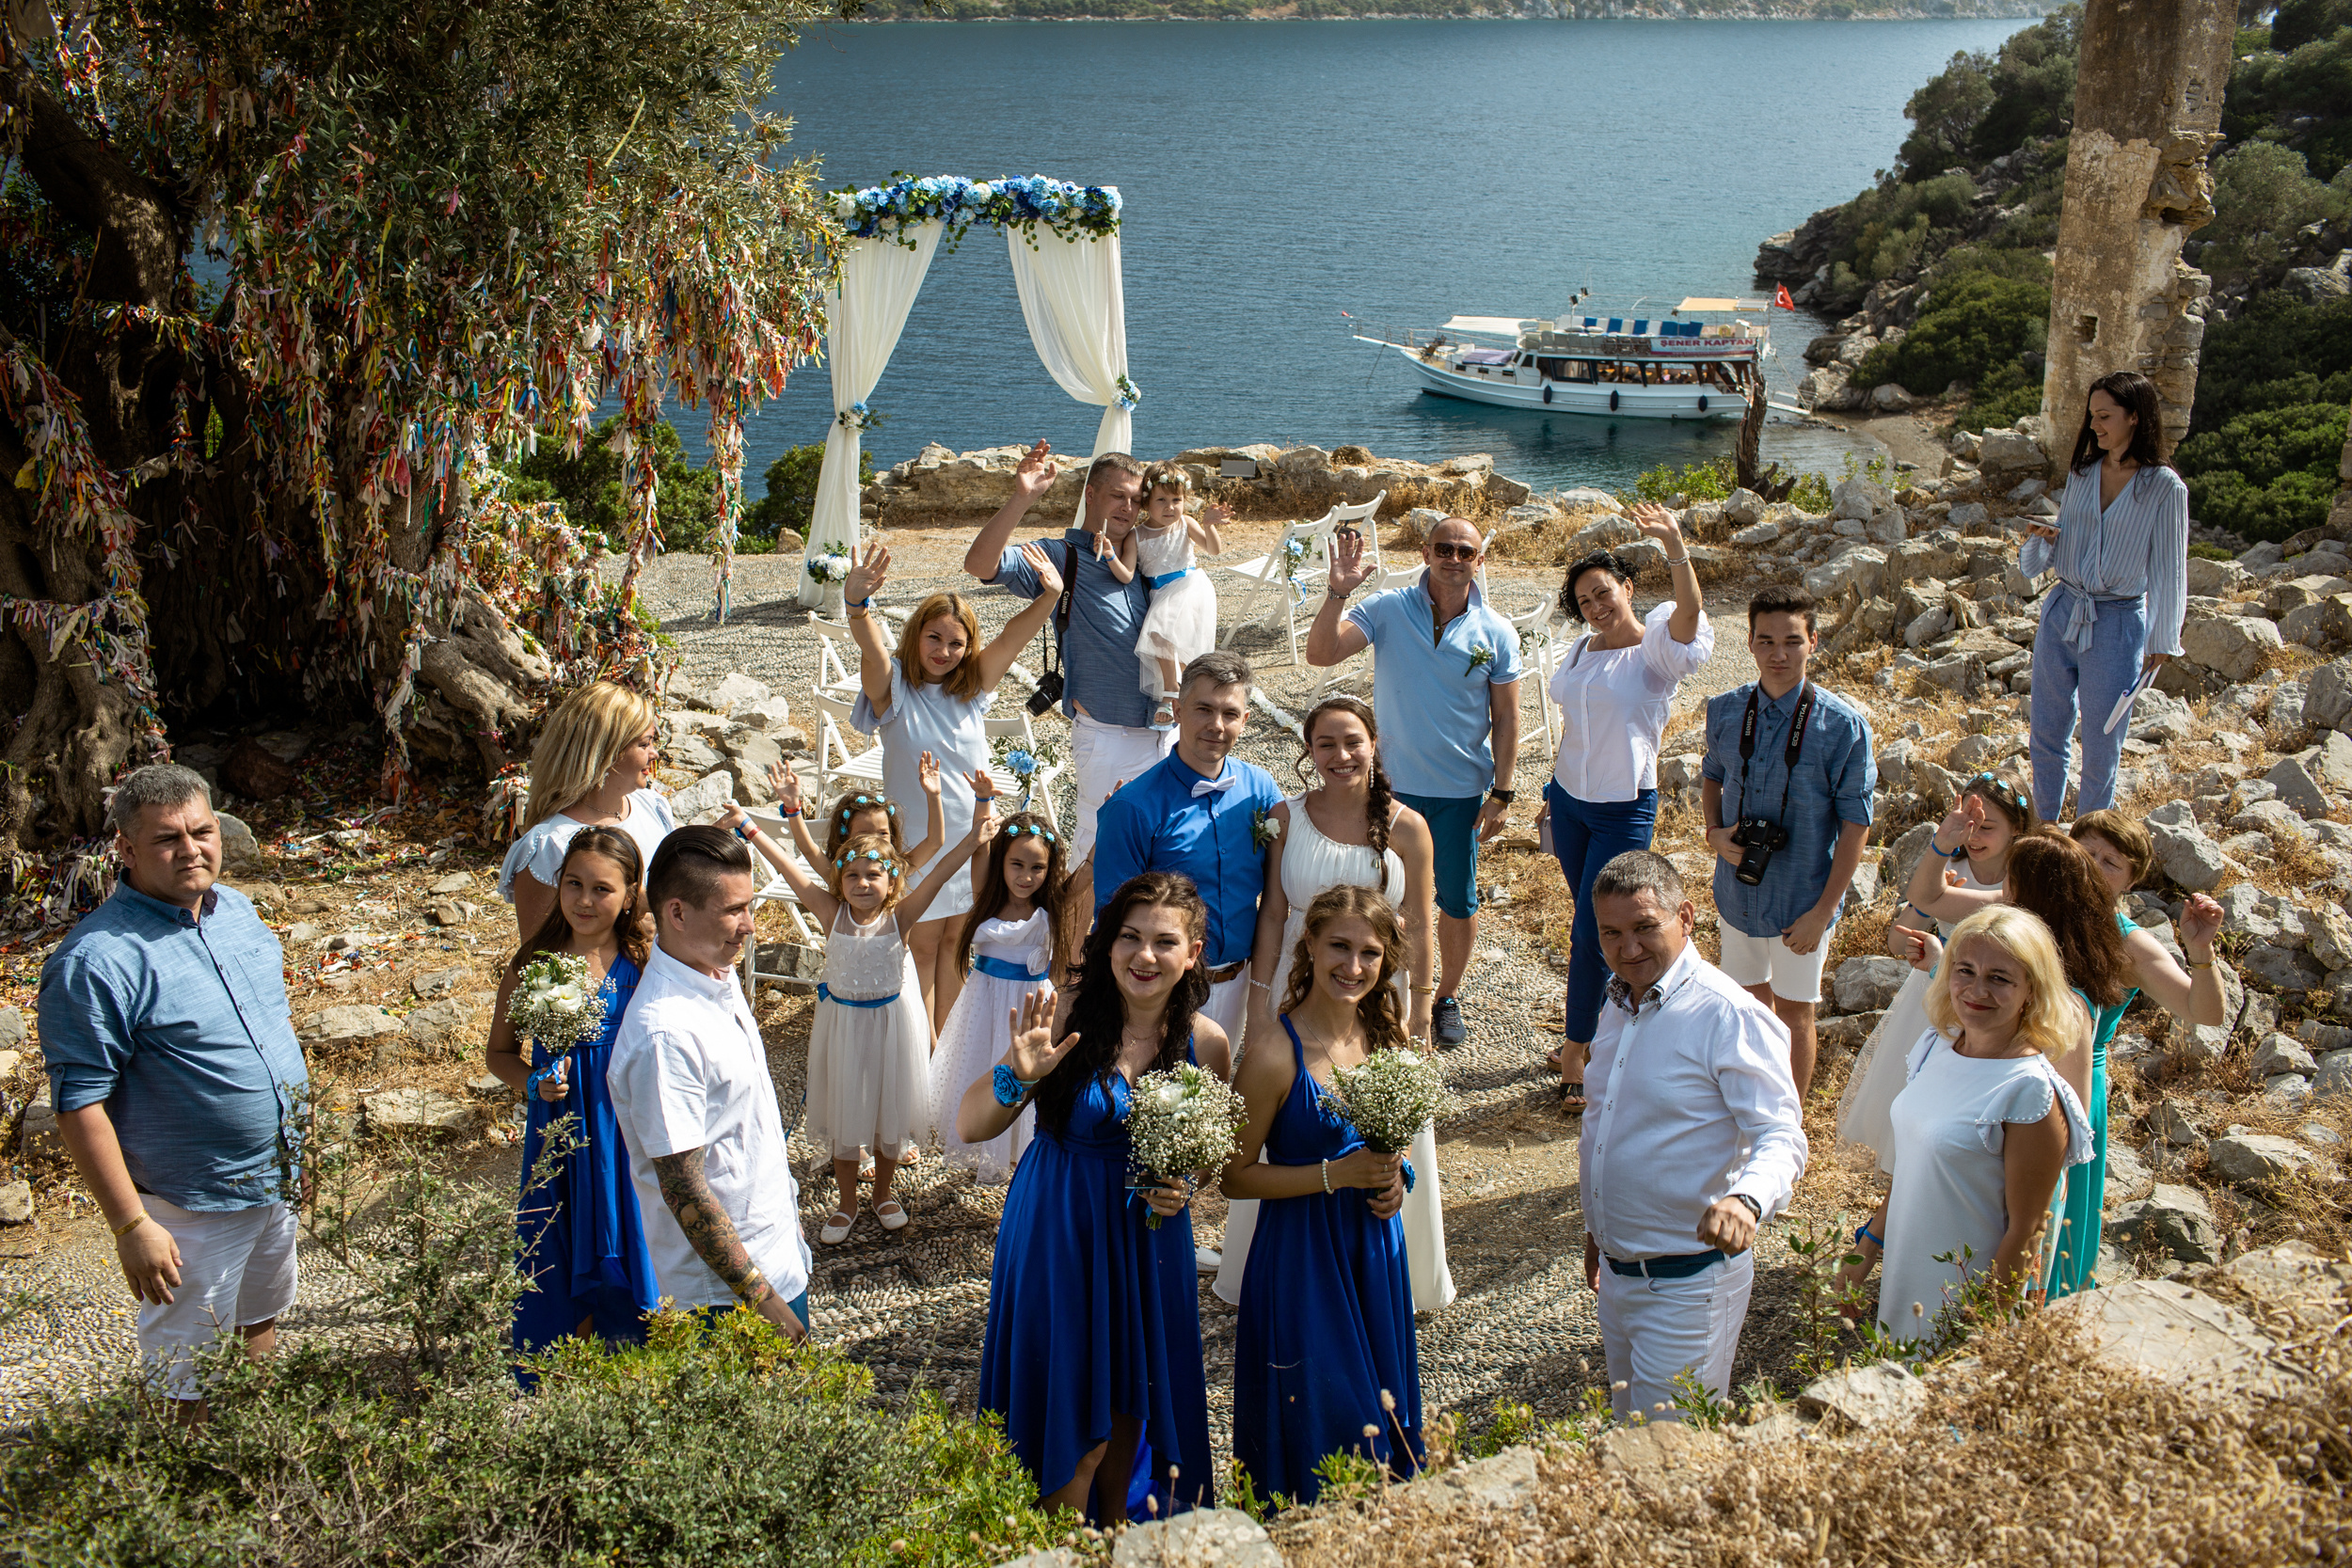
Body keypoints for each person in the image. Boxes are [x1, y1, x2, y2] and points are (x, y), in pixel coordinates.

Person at [40, 764, 310, 1408]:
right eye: (167, 839)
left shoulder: (236, 911)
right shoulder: (96, 962)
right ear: (126, 850)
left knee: (259, 1320)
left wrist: (300, 1150)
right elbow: (79, 1105)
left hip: (273, 1178)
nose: (191, 849)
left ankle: (260, 1463)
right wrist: (130, 1223)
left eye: (201, 830)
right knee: (188, 1367)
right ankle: (190, 1493)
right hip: (189, 1203)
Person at [963, 874, 1224, 1522]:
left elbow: (1212, 1149)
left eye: (1165, 941)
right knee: (1075, 1423)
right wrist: (1014, 1076)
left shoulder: (1206, 1041)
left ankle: (1115, 1533)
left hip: (1148, 1243)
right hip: (1061, 1226)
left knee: (1130, 1407)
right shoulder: (1067, 1012)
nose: (1144, 955)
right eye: (1129, 937)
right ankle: (1056, 1545)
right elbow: (972, 1124)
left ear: (1193, 952)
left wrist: (1187, 1184)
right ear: (1107, 944)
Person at [1219, 695, 1448, 1312]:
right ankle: (1276, 1266)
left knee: (1381, 1118)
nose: (1341, 755)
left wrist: (1420, 1011)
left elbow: (1423, 926)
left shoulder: (1408, 828)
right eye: (1326, 744)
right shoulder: (1284, 817)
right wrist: (1261, 1004)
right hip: (1300, 987)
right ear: (1308, 752)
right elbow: (1272, 914)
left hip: (1378, 991)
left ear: (1374, 743)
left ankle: (1393, 1266)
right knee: (1292, 1119)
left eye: (1353, 741)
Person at [1578, 851, 1805, 1424]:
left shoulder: (1729, 1015)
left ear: (1687, 916)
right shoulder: (1616, 1002)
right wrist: (1597, 1226)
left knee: (1670, 1453)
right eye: (1611, 933)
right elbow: (1606, 1122)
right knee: (1630, 1433)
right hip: (1619, 1276)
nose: (1628, 948)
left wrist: (1746, 1200)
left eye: (1644, 928)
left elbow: (1781, 1134)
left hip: (1689, 1284)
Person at [723, 779, 996, 1244]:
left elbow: (939, 871)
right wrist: (749, 827)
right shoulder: (831, 915)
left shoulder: (901, 918)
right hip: (844, 1028)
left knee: (889, 1113)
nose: (863, 884)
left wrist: (974, 837)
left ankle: (884, 1193)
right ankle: (847, 1202)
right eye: (852, 876)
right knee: (848, 1115)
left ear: (891, 879)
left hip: (891, 1027)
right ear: (840, 881)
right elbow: (790, 867)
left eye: (874, 875)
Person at [1226, 886, 1420, 1504]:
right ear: (1309, 943)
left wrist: (1396, 1178)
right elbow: (1232, 1175)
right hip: (1302, 1263)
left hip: (1373, 1254)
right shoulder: (1273, 1055)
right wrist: (1337, 1175)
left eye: (1369, 952)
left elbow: (1396, 1145)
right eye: (1339, 945)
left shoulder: (1388, 1034)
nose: (1353, 966)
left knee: (1384, 1424)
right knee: (1327, 1423)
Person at [1308, 515, 1522, 1049]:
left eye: (1465, 551)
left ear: (1479, 560)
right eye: (1444, 548)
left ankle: (1444, 996)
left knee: (1455, 901)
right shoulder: (1386, 609)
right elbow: (1320, 653)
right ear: (1426, 552)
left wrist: (1502, 792)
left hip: (1456, 795)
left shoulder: (1495, 631)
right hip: (1388, 789)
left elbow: (1508, 718)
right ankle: (1372, 988)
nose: (1453, 558)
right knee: (1375, 894)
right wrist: (1337, 593)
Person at [1835, 906, 2093, 1344]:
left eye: (1999, 978)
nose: (1976, 990)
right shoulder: (1935, 1045)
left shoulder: (2030, 1091)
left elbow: (2028, 1230)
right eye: (1965, 970)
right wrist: (1865, 1252)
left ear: (2031, 989)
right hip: (1906, 1269)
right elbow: (1912, 1169)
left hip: (1963, 1293)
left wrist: (1978, 1330)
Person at [846, 539, 1065, 1033]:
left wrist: (1048, 598)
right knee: (922, 949)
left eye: (956, 643)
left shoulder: (971, 689)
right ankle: (921, 1067)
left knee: (958, 949)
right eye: (934, 638)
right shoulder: (894, 687)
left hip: (972, 840)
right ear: (915, 636)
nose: (944, 652)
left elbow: (1012, 639)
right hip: (920, 846)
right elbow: (871, 649)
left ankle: (947, 1061)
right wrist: (857, 607)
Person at [1537, 504, 1712, 1112]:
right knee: (1595, 929)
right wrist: (1547, 798)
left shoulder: (1655, 652)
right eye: (1585, 599)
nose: (1595, 606)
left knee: (1594, 928)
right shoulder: (1582, 649)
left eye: (1603, 593)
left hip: (1622, 808)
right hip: (1569, 802)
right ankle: (1603, 1030)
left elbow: (1689, 618)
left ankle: (1577, 1050)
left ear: (1628, 589)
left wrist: (1675, 546)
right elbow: (1573, 726)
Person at [605, 827, 811, 1341]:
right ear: (677, 913)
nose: (750, 926)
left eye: (750, 906)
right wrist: (760, 1299)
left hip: (774, 1254)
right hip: (726, 1300)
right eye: (734, 910)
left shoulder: (714, 973)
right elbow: (683, 1187)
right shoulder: (665, 1035)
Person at [2008, 830, 2224, 1297]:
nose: (2094, 866)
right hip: (1998, 1077)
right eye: (2086, 853)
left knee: (2056, 1213)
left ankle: (2045, 1319)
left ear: (2131, 880)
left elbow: (2205, 1012)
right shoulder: (2020, 912)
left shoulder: (2127, 943)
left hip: (2075, 1089)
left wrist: (2200, 951)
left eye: (2112, 862)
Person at [485, 828, 660, 1373]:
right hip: (559, 1126)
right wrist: (534, 1081)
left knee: (630, 1226)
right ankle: (563, 1365)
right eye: (573, 884)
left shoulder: (644, 960)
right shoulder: (534, 961)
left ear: (631, 894)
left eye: (602, 889)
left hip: (624, 1124)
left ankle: (632, 1354)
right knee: (557, 1233)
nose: (585, 900)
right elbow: (499, 1054)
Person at [1700, 585, 1876, 1098]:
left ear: (1813, 643)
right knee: (1750, 1006)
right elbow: (1711, 776)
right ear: (1750, 643)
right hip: (1738, 892)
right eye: (1767, 640)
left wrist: (1824, 911)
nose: (1780, 653)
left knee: (1797, 1011)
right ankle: (1754, 1105)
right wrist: (1714, 832)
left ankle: (1788, 1125)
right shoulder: (1726, 712)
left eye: (1792, 641)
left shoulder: (1843, 726)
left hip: (1802, 900)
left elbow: (1856, 824)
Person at [962, 443, 1166, 866]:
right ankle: (1077, 933)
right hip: (1109, 735)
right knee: (1097, 853)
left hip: (1166, 730)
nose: (1128, 508)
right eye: (1118, 496)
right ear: (1090, 494)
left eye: (1136, 499)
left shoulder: (1144, 555)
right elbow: (981, 564)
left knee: (1160, 849)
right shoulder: (1061, 555)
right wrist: (1023, 496)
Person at [1092, 649, 1283, 1084]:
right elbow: (1112, 916)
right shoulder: (1133, 808)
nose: (1217, 726)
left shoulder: (1261, 790)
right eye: (1203, 709)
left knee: (1215, 1102)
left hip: (1240, 980)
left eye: (1229, 713)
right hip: (1162, 991)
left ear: (1246, 720)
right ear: (1177, 709)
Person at [1838, 772, 2035, 1176]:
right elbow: (1897, 942)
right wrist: (1929, 907)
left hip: (1988, 1001)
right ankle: (1907, 1176)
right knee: (1916, 1086)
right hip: (1933, 996)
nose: (1975, 836)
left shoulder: (2023, 878)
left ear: (2017, 828)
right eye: (1968, 825)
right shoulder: (1947, 866)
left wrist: (1940, 898)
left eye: (1988, 827)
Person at [2021, 369, 2190, 823]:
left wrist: (2162, 639)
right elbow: (2071, 538)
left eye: (2104, 416)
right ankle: (2044, 831)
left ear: (2134, 417)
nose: (2094, 426)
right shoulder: (2083, 471)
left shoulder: (2165, 488)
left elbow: (2170, 568)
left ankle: (2088, 846)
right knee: (2046, 731)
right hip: (2061, 609)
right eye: (2091, 416)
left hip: (2117, 623)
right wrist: (2047, 536)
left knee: (2102, 741)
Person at [930, 811, 1070, 1184]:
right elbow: (982, 852)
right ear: (1002, 863)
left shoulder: (1051, 906)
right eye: (1016, 864)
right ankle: (987, 1138)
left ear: (1049, 868)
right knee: (981, 1064)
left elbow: (1086, 876)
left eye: (1037, 867)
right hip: (986, 1000)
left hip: (1032, 1002)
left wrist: (1105, 823)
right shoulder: (987, 900)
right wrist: (982, 802)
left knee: (1027, 1075)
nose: (1025, 877)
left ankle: (1018, 1157)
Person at [499, 681, 671, 944]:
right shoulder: (549, 846)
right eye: (644, 744)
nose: (655, 754)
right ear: (606, 752)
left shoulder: (652, 807)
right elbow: (539, 962)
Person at [1098, 463, 1227, 729]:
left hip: (1189, 587)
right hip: (1161, 592)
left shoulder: (1185, 524)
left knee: (1160, 632)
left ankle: (1171, 691)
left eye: (1176, 500)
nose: (1170, 508)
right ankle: (1183, 695)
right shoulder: (1137, 535)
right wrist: (1110, 554)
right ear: (1146, 502)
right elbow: (1126, 574)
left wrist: (1210, 525)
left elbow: (1213, 550)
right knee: (1170, 643)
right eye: (1162, 500)